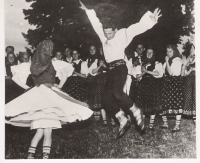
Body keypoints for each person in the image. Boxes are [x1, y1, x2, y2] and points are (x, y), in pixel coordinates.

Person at [79, 0, 162, 138]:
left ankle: (136, 111)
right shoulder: (103, 34)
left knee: (117, 92)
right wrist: (88, 10)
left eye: (110, 33)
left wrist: (150, 21)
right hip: (110, 70)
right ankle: (122, 119)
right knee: (105, 99)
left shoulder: (122, 34)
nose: (107, 36)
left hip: (120, 67)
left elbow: (136, 28)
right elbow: (96, 23)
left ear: (115, 30)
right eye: (106, 33)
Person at [5, 40, 93, 159]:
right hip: (47, 97)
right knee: (47, 131)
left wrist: (29, 88)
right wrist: (56, 86)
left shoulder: (37, 64)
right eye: (47, 49)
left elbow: (65, 72)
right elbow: (15, 77)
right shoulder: (45, 63)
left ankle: (30, 157)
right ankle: (42, 157)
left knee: (40, 131)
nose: (48, 51)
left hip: (41, 96)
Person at [133, 47, 164, 130]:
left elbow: (158, 73)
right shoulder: (142, 63)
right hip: (143, 84)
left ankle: (151, 125)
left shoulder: (157, 63)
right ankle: (142, 124)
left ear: (153, 54)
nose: (149, 54)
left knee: (152, 105)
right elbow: (137, 76)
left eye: (151, 52)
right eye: (147, 52)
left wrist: (146, 71)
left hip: (152, 84)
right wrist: (143, 73)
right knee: (142, 104)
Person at [81, 45, 108, 125]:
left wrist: (102, 65)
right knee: (94, 98)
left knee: (101, 98)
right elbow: (91, 72)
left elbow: (106, 68)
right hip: (94, 80)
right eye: (90, 49)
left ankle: (104, 120)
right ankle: (94, 118)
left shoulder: (100, 58)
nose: (92, 50)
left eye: (94, 49)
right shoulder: (88, 59)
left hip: (101, 80)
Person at [160, 44, 183, 132]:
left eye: (170, 51)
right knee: (163, 102)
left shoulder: (177, 60)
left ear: (174, 51)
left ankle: (177, 125)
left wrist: (166, 60)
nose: (168, 53)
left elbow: (171, 72)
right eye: (167, 51)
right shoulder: (167, 61)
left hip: (175, 83)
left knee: (177, 103)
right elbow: (163, 72)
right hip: (167, 83)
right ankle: (165, 123)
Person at [181, 44, 195, 124]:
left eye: (194, 48)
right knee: (189, 97)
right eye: (191, 48)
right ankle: (194, 117)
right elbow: (184, 69)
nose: (192, 49)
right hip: (188, 79)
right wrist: (190, 55)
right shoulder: (185, 57)